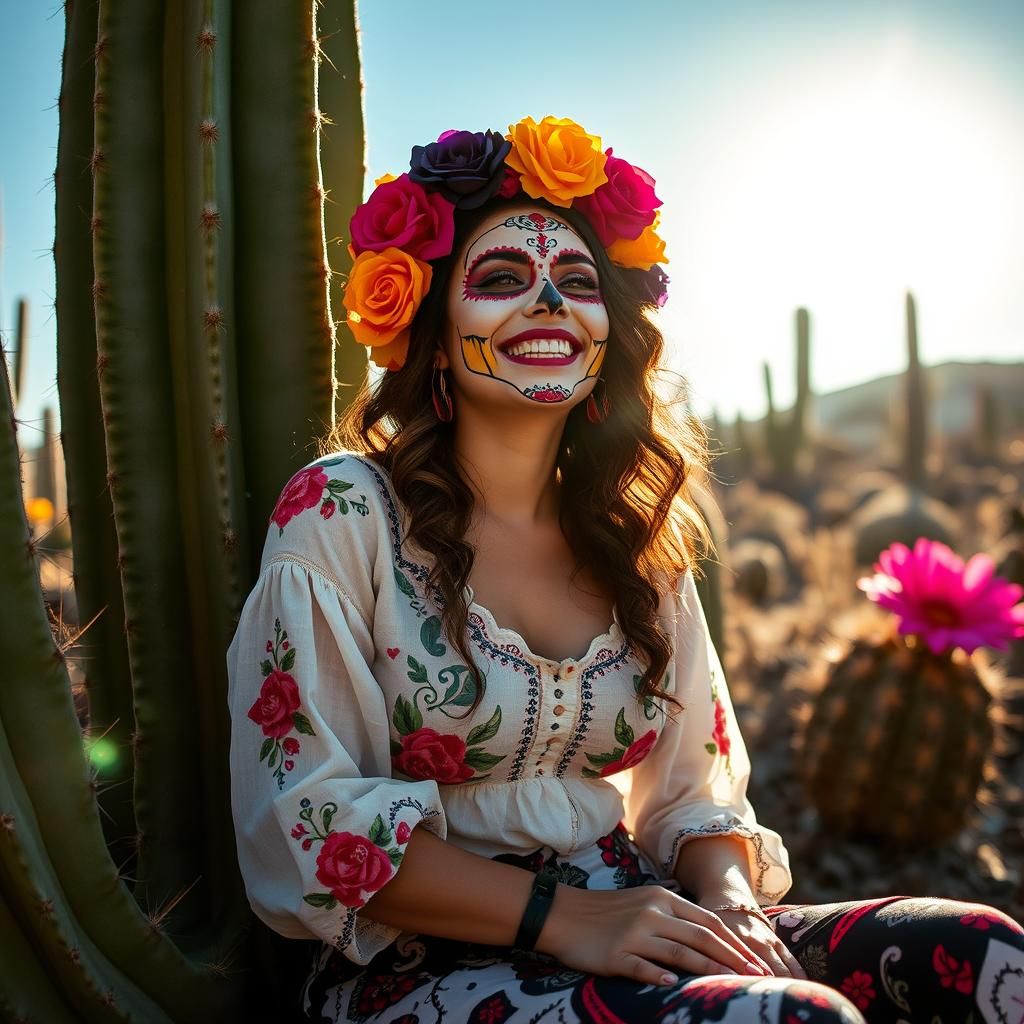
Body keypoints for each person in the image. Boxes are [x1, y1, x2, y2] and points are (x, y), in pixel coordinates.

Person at [226, 116, 1024, 1024]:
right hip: (417, 963)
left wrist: (729, 905)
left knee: (982, 958)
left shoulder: (633, 536)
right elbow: (312, 818)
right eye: (499, 280)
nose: (548, 303)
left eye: (576, 282)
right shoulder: (342, 512)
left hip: (639, 911)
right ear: (432, 333)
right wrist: (568, 919)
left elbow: (691, 794)